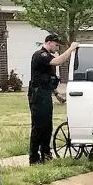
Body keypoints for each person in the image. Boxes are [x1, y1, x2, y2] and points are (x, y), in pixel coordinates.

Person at [28, 34, 79, 165]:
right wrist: (71, 49)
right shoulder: (41, 55)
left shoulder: (47, 57)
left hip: (45, 93)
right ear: (49, 42)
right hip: (37, 95)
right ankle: (34, 157)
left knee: (47, 126)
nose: (57, 48)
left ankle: (45, 153)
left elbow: (46, 79)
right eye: (56, 45)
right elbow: (58, 61)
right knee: (38, 126)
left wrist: (56, 93)